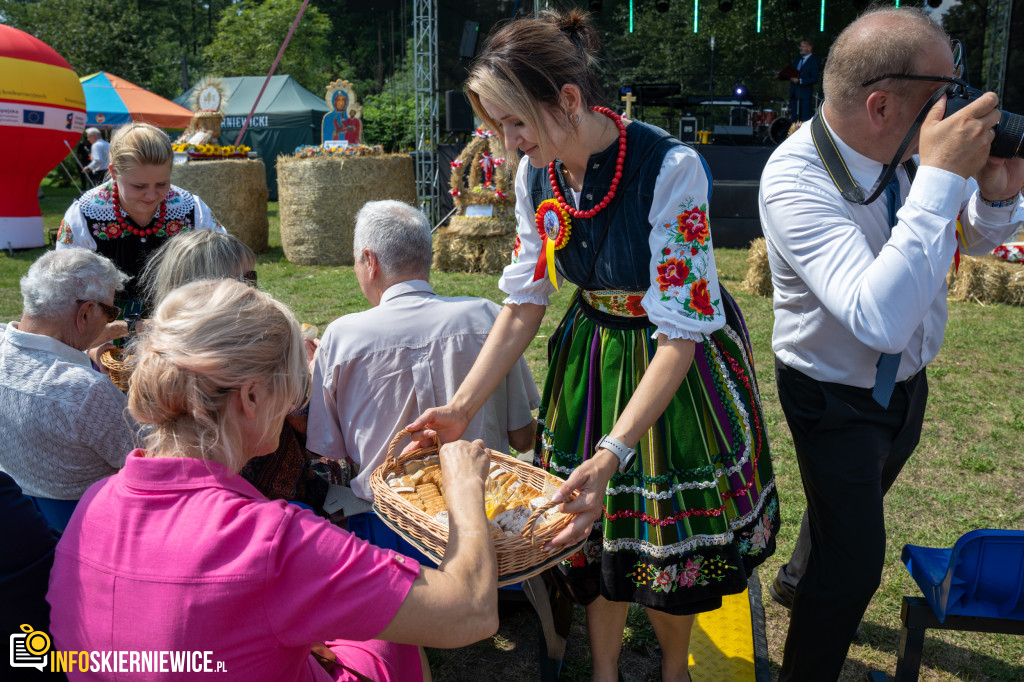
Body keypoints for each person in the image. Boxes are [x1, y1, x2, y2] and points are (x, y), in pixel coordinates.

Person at [407, 11, 778, 681]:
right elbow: (524, 304)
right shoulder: (534, 177)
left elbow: (681, 336)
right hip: (592, 357)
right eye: (495, 127)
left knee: (664, 533)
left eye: (515, 123)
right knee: (594, 532)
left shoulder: (671, 169)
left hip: (673, 364)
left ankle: (673, 668)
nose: (507, 145)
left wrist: (614, 450)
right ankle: (603, 671)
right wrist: (460, 409)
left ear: (569, 102)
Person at [47, 279, 499, 681]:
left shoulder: (96, 501)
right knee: (391, 638)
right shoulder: (272, 542)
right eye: (296, 386)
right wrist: (464, 492)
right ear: (252, 395)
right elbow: (469, 612)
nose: (295, 404)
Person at [758, 7, 1024, 680]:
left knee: (853, 507)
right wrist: (939, 179)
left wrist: (991, 200)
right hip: (833, 398)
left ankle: (796, 575)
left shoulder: (909, 153)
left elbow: (970, 239)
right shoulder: (796, 179)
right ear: (881, 105)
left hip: (906, 390)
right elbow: (876, 319)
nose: (959, 112)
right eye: (945, 96)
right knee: (852, 572)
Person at [306, 200, 540, 503]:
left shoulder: (341, 338)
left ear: (370, 260)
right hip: (488, 514)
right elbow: (523, 437)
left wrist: (315, 374)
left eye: (356, 262)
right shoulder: (491, 318)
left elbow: (330, 452)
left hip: (387, 520)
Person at [0, 250, 138, 527]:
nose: (110, 320)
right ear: (86, 312)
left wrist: (117, 330)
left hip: (24, 521)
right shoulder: (84, 391)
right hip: (91, 527)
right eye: (110, 312)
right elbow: (150, 458)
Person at [55, 122, 225, 314]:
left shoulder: (191, 208)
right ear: (113, 173)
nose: (151, 195)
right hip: (105, 331)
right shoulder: (84, 214)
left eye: (162, 183)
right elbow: (65, 285)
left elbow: (224, 263)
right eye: (139, 186)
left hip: (178, 323)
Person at [788, 37, 820, 122]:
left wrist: (800, 81)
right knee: (794, 119)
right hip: (794, 93)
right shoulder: (797, 60)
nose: (800, 48)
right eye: (800, 46)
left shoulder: (814, 61)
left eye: (803, 46)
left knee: (804, 119)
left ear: (809, 48)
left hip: (805, 95)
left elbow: (815, 78)